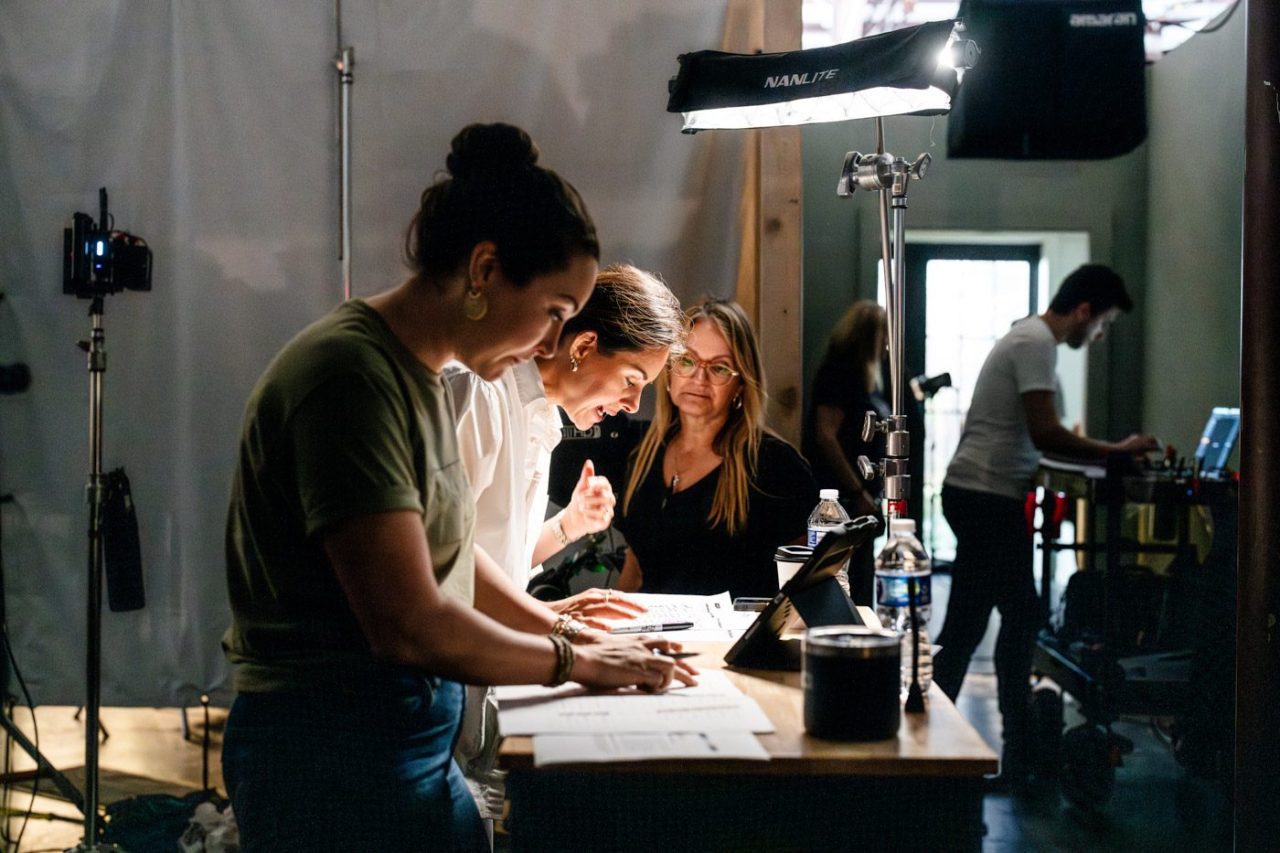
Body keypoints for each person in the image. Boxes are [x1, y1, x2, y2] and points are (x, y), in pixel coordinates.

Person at [220, 123, 690, 851]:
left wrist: (562, 627)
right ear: (484, 270)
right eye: (555, 314)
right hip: (332, 758)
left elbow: (455, 556)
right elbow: (409, 621)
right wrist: (581, 660)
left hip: (403, 744)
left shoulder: (415, 374)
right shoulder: (351, 378)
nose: (549, 345)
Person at [447, 262, 685, 825]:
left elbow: (497, 551)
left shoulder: (546, 420)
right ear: (583, 346)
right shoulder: (478, 390)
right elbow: (447, 553)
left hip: (488, 684)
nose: (633, 406)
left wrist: (567, 528)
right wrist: (560, 630)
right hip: (442, 688)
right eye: (632, 380)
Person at [932, 263, 1159, 788]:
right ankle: (1011, 758)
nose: (1098, 335)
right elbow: (1047, 432)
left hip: (979, 493)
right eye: (1102, 323)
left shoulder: (1027, 337)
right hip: (987, 498)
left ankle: (957, 754)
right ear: (1084, 311)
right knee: (1017, 616)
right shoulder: (1037, 343)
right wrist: (1117, 450)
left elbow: (1033, 436)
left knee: (972, 626)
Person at [616, 299, 818, 600]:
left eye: (720, 367)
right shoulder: (641, 452)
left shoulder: (775, 465)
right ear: (668, 370)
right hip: (653, 640)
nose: (699, 378)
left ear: (740, 386)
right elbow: (637, 565)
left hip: (736, 643)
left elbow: (809, 583)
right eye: (687, 360)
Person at [803, 299, 889, 604]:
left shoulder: (868, 381)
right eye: (883, 335)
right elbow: (826, 435)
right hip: (842, 499)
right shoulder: (840, 374)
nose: (887, 344)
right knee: (848, 581)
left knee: (862, 580)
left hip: (860, 495)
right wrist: (857, 490)